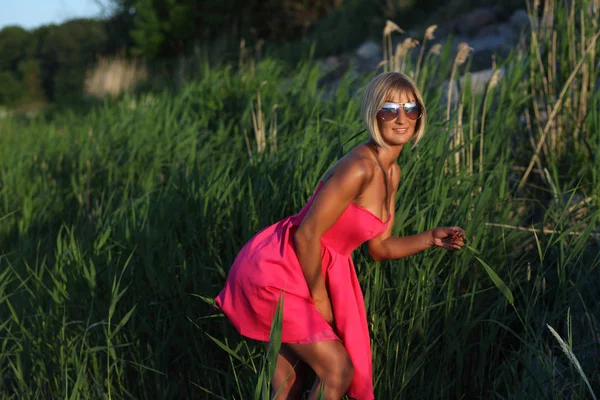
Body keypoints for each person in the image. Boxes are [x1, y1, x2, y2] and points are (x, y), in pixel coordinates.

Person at [214, 71, 466, 400]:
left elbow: (379, 248)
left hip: (310, 268)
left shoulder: (393, 172)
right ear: (374, 114)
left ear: (420, 114)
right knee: (337, 370)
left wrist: (431, 238)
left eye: (411, 108)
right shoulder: (359, 168)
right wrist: (320, 299)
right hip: (278, 267)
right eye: (389, 109)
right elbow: (307, 236)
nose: (401, 118)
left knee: (290, 383)